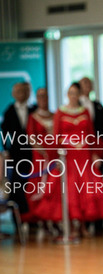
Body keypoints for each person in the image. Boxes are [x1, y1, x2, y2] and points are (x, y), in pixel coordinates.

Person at [34, 82, 103, 239]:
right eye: (70, 93)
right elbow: (56, 135)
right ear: (67, 94)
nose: (73, 96)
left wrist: (95, 154)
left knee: (84, 190)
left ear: (79, 95)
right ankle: (70, 227)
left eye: (76, 93)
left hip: (83, 156)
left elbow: (91, 134)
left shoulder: (85, 111)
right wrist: (56, 157)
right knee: (68, 191)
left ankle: (82, 226)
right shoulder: (60, 112)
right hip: (67, 157)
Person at [79, 76, 103, 236]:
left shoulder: (98, 105)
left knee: (98, 185)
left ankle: (99, 222)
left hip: (98, 150)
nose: (86, 86)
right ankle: (84, 223)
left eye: (89, 83)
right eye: (83, 83)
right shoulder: (75, 107)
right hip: (80, 153)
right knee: (82, 187)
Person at [1, 82, 34, 218]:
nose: (21, 94)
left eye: (24, 91)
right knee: (17, 186)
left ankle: (32, 218)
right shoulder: (9, 111)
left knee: (32, 184)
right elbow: (4, 133)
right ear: (13, 94)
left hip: (32, 153)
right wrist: (7, 150)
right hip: (16, 154)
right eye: (18, 91)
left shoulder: (33, 109)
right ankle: (19, 219)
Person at [25, 88, 57, 228]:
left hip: (54, 158)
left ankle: (54, 218)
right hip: (41, 158)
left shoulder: (55, 115)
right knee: (39, 186)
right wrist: (43, 151)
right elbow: (31, 137)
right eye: (40, 96)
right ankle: (41, 219)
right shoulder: (33, 117)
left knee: (55, 187)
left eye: (45, 96)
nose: (43, 99)